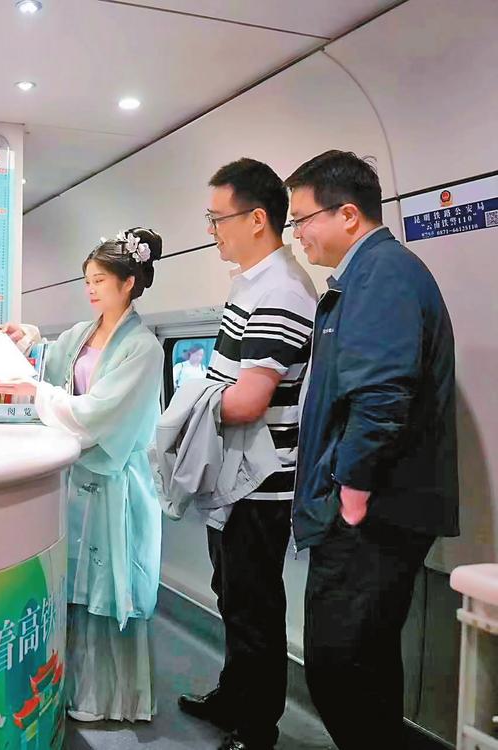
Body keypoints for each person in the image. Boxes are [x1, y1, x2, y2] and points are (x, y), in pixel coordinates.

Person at [286, 150, 459, 749]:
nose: (298, 233)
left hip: (373, 512)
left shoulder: (382, 275)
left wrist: (351, 493)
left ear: (348, 214)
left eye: (303, 219)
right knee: (366, 658)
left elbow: (382, 396)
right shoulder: (368, 275)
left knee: (339, 662)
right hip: (373, 508)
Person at [0, 228, 164, 723]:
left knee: (108, 590)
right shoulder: (85, 334)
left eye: (99, 280)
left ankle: (112, 699)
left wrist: (36, 394)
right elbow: (51, 359)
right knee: (75, 588)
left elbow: (96, 413)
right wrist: (27, 338)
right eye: (87, 280)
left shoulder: (144, 349)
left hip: (115, 481)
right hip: (81, 481)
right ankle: (73, 691)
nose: (90, 289)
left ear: (128, 283)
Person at [177, 158, 317, 750]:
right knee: (234, 598)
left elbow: (248, 400)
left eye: (217, 218)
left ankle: (257, 728)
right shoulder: (254, 282)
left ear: (257, 219)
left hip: (261, 481)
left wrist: (185, 408)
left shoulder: (282, 290)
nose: (211, 229)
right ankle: (235, 698)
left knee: (254, 607)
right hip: (239, 477)